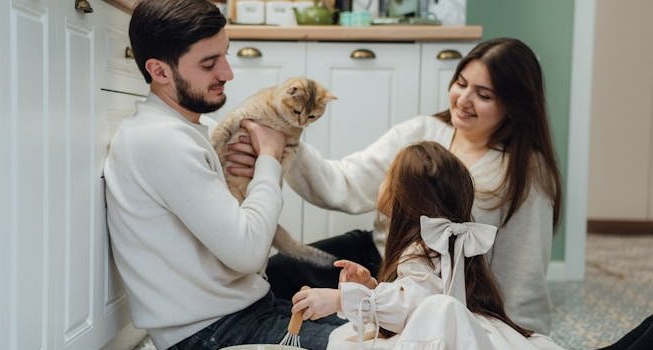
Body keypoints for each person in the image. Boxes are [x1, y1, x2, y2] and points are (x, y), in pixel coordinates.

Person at [226, 37, 562, 335]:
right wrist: (282, 141)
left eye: (483, 94)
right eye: (460, 83)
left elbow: (523, 275)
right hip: (380, 256)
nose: (463, 99)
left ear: (514, 106)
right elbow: (344, 182)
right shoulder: (421, 132)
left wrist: (520, 336)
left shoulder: (526, 173)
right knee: (279, 273)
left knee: (363, 327)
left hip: (444, 288)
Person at [103, 1, 344, 349]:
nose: (228, 73)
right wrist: (270, 158)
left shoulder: (198, 131)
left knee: (381, 328)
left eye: (225, 55)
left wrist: (265, 167)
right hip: (212, 332)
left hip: (245, 310)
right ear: (160, 71)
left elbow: (252, 246)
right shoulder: (158, 142)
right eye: (208, 63)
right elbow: (248, 252)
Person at [290, 141, 565, 349]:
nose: (381, 183)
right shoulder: (437, 244)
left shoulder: (422, 248)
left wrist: (342, 299)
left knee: (346, 342)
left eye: (388, 175)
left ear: (404, 197)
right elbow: (413, 294)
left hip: (444, 328)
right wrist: (371, 289)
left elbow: (416, 304)